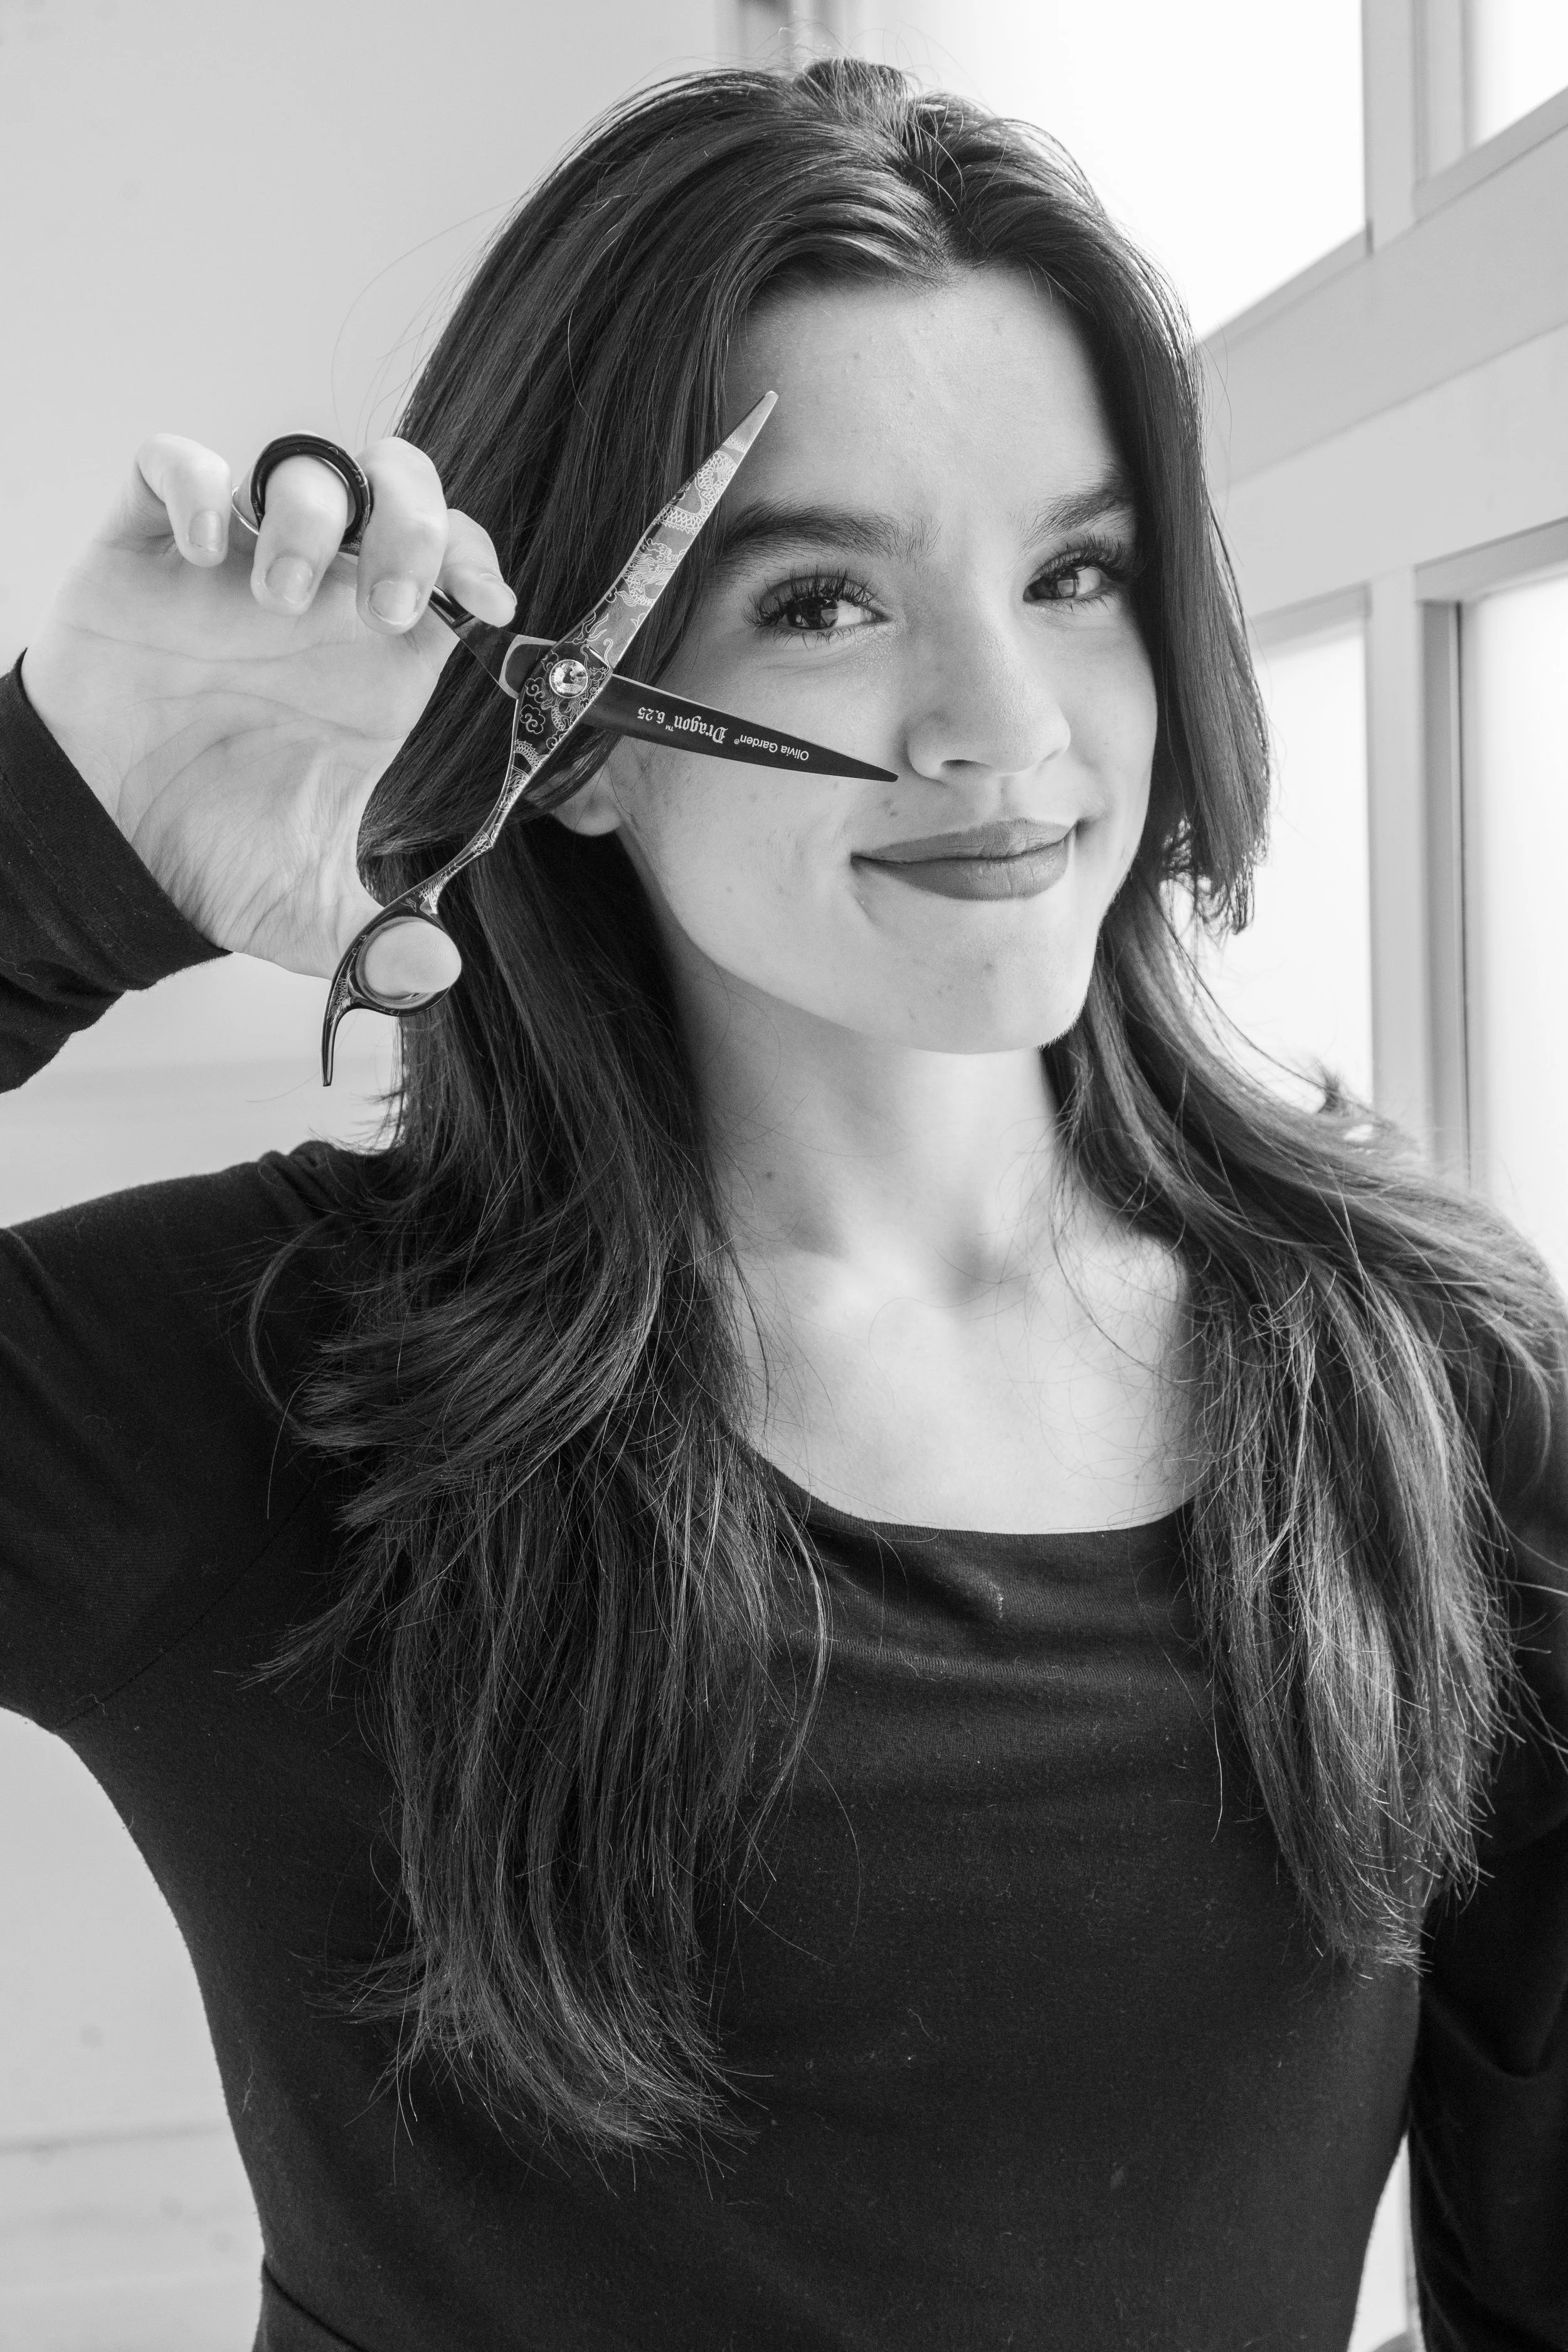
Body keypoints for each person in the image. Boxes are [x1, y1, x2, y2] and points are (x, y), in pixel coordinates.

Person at [3, 55, 1565, 2352]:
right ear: (583, 726)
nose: (1000, 723)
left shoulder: (1439, 1384)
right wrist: (52, 831)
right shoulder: (231, 1387)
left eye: (1074, 569)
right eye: (822, 597)